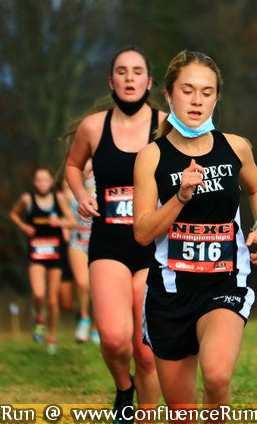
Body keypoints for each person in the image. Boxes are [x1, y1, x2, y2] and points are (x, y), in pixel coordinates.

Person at [133, 50, 257, 416]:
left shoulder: (235, 147)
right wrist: (180, 197)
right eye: (188, 90)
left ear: (216, 97)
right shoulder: (152, 156)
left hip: (223, 285)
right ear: (169, 95)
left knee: (216, 376)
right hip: (170, 295)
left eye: (207, 92)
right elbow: (143, 233)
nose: (197, 100)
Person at [65, 46, 164, 420]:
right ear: (111, 81)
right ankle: (125, 387)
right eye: (121, 71)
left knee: (147, 350)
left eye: (137, 71)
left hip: (154, 243)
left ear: (149, 82)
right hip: (108, 242)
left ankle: (147, 413)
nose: (129, 77)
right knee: (113, 338)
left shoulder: (167, 124)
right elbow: (74, 166)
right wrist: (80, 196)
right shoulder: (93, 126)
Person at [9, 167, 77, 355]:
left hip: (56, 253)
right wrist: (24, 226)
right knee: (39, 294)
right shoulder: (27, 199)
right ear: (34, 182)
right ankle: (39, 319)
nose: (42, 184)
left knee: (53, 300)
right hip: (36, 253)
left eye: (45, 180)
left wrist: (60, 223)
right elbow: (13, 214)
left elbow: (72, 221)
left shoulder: (59, 199)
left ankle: (52, 337)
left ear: (51, 182)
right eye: (38, 180)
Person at [61, 166, 100, 345]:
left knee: (97, 288)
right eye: (83, 167)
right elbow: (63, 209)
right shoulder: (69, 188)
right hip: (77, 242)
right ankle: (84, 319)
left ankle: (96, 326)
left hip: (98, 241)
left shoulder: (102, 183)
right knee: (83, 283)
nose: (87, 171)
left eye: (90, 168)